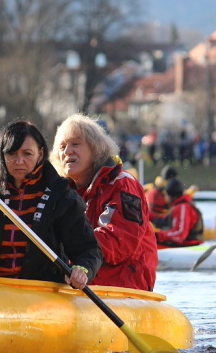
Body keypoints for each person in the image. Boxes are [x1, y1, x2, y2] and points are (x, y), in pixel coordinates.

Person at [0, 120, 102, 289]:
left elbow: (89, 250)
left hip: (39, 289)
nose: (19, 161)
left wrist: (82, 269)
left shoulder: (62, 195)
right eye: (12, 153)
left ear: (40, 154)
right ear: (2, 155)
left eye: (27, 154)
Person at [50, 113, 157, 291]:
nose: (67, 151)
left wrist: (79, 257)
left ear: (96, 149)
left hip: (124, 285)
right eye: (62, 147)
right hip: (79, 278)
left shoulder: (122, 184)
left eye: (76, 144)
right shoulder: (62, 191)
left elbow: (119, 239)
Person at [154, 178, 204, 249]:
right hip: (184, 245)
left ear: (169, 195)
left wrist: (157, 235)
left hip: (189, 246)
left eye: (165, 194)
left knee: (148, 245)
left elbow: (180, 235)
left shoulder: (182, 207)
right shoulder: (180, 206)